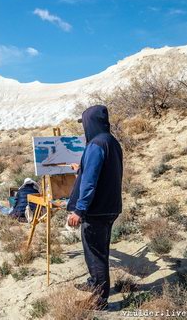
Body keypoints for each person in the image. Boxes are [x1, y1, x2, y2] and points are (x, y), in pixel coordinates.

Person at [66, 105, 123, 309]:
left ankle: (100, 300)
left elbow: (90, 182)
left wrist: (79, 210)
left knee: (95, 254)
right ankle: (94, 283)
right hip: (111, 207)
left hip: (95, 210)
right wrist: (81, 169)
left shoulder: (95, 145)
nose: (84, 128)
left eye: (85, 123)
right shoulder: (112, 143)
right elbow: (101, 171)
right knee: (101, 250)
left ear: (91, 123)